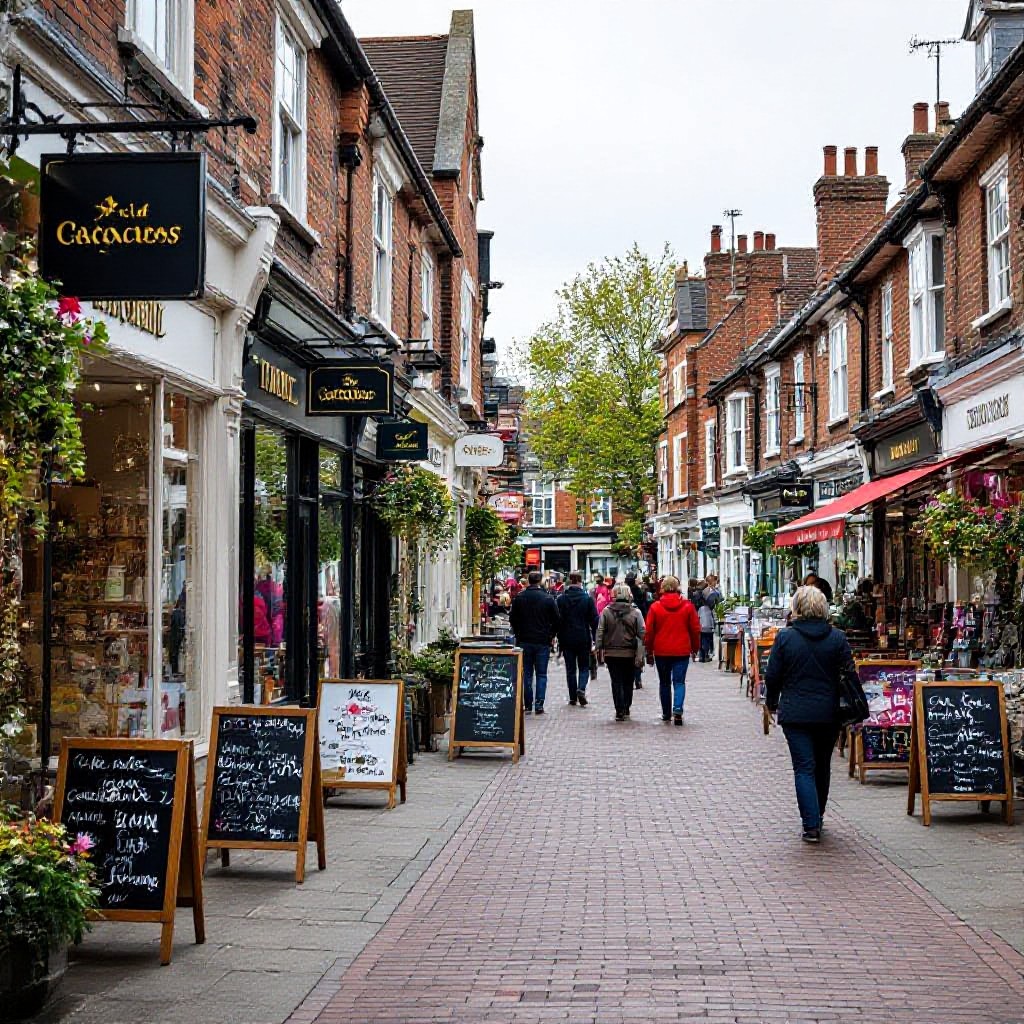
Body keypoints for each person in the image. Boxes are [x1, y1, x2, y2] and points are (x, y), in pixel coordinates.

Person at [764, 585, 854, 844]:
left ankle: (810, 824)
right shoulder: (837, 638)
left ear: (797, 608)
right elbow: (849, 672)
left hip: (796, 713)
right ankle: (818, 814)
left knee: (804, 767)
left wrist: (771, 703)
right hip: (829, 712)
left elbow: (773, 675)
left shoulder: (785, 638)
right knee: (822, 765)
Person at [644, 575, 701, 726]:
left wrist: (649, 651)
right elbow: (695, 629)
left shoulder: (655, 607)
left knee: (664, 683)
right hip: (681, 650)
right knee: (679, 682)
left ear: (662, 588)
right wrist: (695, 648)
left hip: (661, 650)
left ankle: (666, 712)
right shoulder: (688, 606)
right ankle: (678, 708)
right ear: (677, 587)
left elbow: (649, 631)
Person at [509, 570, 560, 714]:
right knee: (542, 673)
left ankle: (528, 703)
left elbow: (513, 619)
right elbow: (557, 620)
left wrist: (519, 633)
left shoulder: (519, 598)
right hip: (542, 641)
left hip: (524, 640)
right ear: (539, 581)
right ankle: (539, 703)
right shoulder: (548, 599)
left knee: (527, 673)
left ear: (528, 581)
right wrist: (551, 635)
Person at [595, 584, 645, 721]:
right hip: (629, 652)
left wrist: (599, 647)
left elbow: (600, 631)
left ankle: (619, 709)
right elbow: (642, 633)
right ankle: (626, 706)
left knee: (616, 681)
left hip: (611, 653)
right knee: (628, 680)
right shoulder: (636, 612)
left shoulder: (606, 611)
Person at [556, 571, 599, 707]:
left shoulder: (561, 599)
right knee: (584, 666)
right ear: (581, 582)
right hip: (582, 637)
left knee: (570, 669)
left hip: (566, 637)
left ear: (569, 581)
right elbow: (594, 620)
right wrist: (595, 638)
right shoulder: (587, 599)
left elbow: (557, 620)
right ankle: (581, 688)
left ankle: (573, 697)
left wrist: (557, 635)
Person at [625, 572, 650, 689]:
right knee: (638, 653)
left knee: (628, 653)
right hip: (639, 625)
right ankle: (638, 678)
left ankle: (630, 677)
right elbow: (645, 608)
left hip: (625, 628)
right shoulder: (640, 592)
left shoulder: (624, 591)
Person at [699, 574, 722, 663]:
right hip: (707, 615)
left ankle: (704, 654)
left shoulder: (710, 590)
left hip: (706, 615)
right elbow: (713, 602)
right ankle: (705, 654)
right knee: (706, 635)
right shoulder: (707, 591)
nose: (716, 583)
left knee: (705, 636)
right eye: (714, 581)